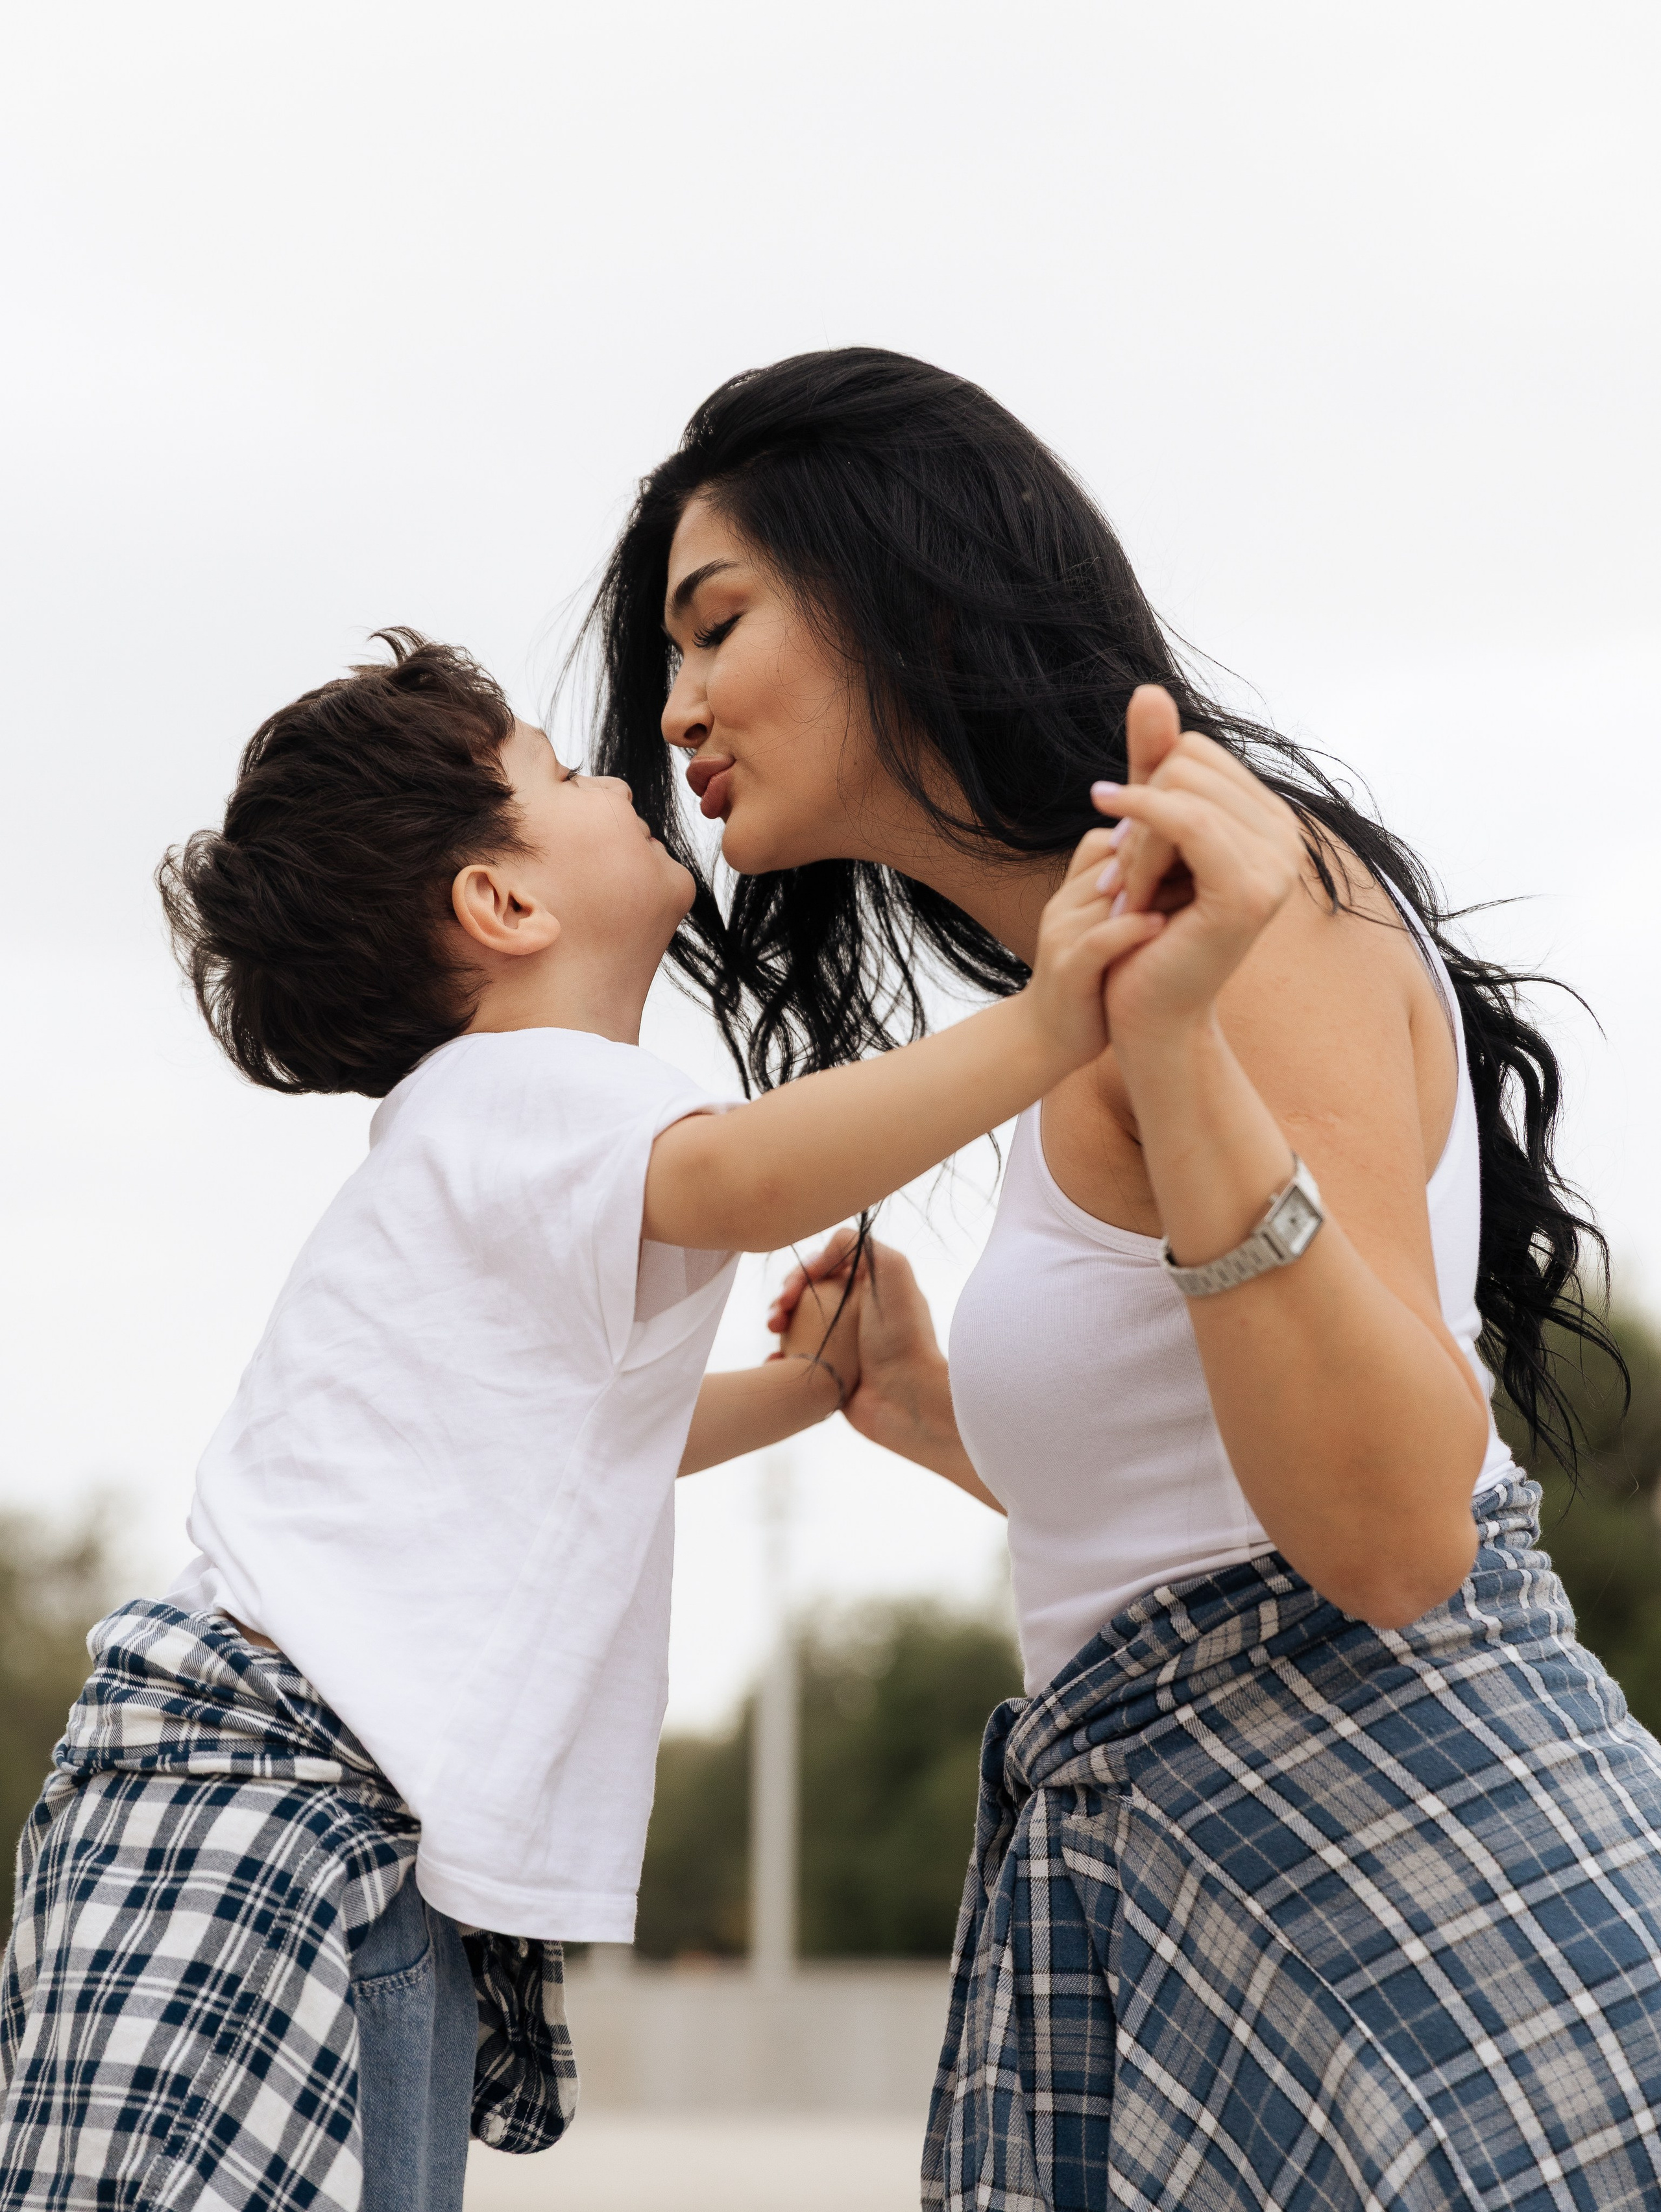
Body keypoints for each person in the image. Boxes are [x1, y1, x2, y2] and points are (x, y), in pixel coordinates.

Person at [585, 347, 1661, 2211]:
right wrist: (936, 1406)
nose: (676, 708)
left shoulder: (1229, 910)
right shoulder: (1105, 978)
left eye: (713, 625)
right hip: (1253, 1888)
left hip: (1402, 1889)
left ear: (895, 583)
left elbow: (1398, 1535)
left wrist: (1175, 1058)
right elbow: (1231, 1493)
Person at [0, 630, 1159, 2212]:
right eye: (553, 772)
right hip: (283, 1803)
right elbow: (746, 1174)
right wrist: (1047, 1026)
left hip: (262, 1799)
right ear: (504, 902)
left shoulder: (469, 1146)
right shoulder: (527, 1090)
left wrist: (813, 1389)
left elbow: (587, 1440)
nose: (616, 773)